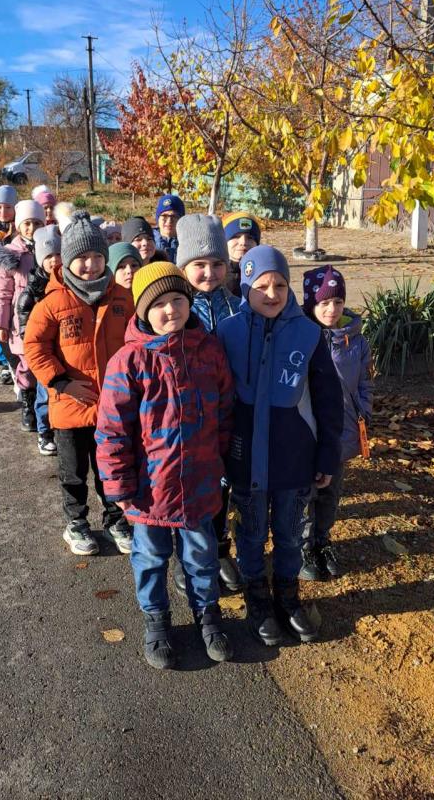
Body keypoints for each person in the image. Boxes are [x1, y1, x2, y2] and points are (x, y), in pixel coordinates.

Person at [96, 262, 234, 670]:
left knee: (201, 556)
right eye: (159, 304)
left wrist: (221, 461)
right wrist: (118, 487)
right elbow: (112, 430)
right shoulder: (128, 361)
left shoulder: (208, 351)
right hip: (149, 490)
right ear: (142, 311)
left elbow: (225, 412)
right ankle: (156, 620)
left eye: (178, 300)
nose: (171, 310)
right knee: (150, 559)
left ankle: (208, 616)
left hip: (199, 483)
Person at [217, 246, 343, 645]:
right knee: (251, 534)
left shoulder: (309, 334)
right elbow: (217, 399)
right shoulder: (228, 332)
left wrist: (327, 456)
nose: (272, 293)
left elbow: (328, 400)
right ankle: (257, 601)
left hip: (294, 460)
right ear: (245, 287)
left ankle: (287, 598)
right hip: (244, 460)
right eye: (262, 286)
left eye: (280, 285)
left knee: (289, 534)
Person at [24, 213, 134, 556]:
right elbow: (34, 346)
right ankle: (76, 523)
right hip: (70, 408)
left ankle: (116, 520)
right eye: (82, 258)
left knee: (110, 469)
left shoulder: (121, 299)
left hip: (112, 407)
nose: (90, 265)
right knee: (73, 473)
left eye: (97, 257)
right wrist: (60, 382)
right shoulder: (53, 303)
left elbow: (135, 342)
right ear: (69, 260)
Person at [174, 213, 241, 595]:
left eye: (217, 264)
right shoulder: (175, 312)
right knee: (188, 490)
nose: (209, 273)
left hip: (226, 416)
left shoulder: (239, 308)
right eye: (199, 265)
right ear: (184, 267)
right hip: (186, 419)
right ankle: (187, 557)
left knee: (221, 489)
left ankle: (218, 550)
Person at [300, 265, 373, 580]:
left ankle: (321, 540)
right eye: (324, 303)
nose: (331, 309)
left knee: (331, 492)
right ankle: (303, 546)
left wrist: (363, 411)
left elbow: (365, 383)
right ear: (311, 304)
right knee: (306, 494)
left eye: (337, 302)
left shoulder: (356, 340)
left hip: (341, 433)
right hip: (308, 435)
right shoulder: (302, 338)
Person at [0, 199, 45, 431]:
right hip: (20, 322)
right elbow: (2, 294)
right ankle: (28, 405)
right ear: (19, 225)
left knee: (46, 363)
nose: (31, 228)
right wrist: (0, 323)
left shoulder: (49, 249)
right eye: (27, 224)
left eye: (36, 223)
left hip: (47, 319)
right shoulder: (11, 255)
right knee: (27, 365)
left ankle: (45, 409)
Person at [16, 225, 62, 456]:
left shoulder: (69, 284)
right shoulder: (32, 290)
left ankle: (61, 429)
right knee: (45, 394)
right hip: (45, 353)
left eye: (58, 254)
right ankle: (44, 433)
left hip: (65, 350)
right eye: (49, 256)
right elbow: (25, 324)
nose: (54, 260)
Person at [222, 212, 261, 298]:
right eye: (235, 237)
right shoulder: (215, 276)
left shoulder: (264, 273)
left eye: (250, 237)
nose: (243, 242)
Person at [153, 194, 185, 263]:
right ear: (158, 219)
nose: (169, 220)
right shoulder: (149, 244)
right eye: (164, 216)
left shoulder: (187, 243)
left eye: (174, 216)